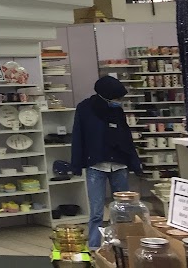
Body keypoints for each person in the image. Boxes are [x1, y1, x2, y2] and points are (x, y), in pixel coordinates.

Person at [71, 75, 143, 250]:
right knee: (96, 211)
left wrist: (135, 163)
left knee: (124, 209)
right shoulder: (84, 108)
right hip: (95, 164)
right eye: (116, 98)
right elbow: (78, 136)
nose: (118, 101)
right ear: (106, 95)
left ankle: (123, 245)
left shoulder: (117, 111)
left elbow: (126, 138)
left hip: (119, 164)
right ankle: (94, 247)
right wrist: (76, 164)